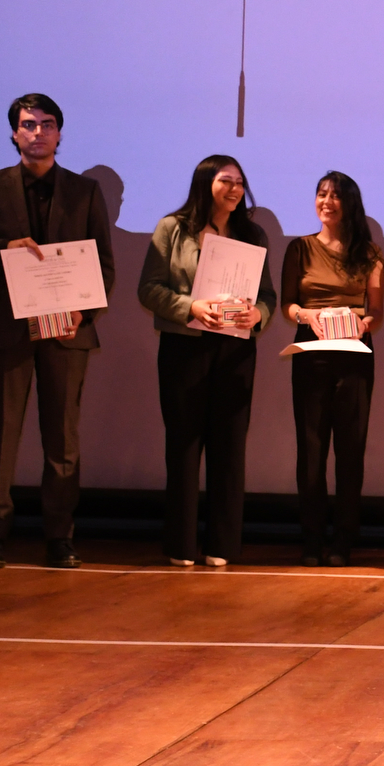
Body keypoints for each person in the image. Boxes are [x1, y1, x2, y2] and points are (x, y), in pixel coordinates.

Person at [0, 93, 116, 570]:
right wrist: (5, 247)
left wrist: (83, 313)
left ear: (59, 133)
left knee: (62, 440)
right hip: (5, 324)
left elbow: (104, 265)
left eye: (47, 124)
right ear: (14, 133)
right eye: (28, 124)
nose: (38, 132)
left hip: (67, 328)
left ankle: (60, 536)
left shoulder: (85, 191)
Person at [137, 155, 275, 567]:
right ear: (204, 184)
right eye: (225, 181)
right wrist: (191, 307)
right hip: (185, 347)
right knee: (183, 444)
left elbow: (267, 296)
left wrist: (257, 316)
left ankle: (222, 544)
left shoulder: (252, 233)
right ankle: (181, 544)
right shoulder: (172, 228)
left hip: (235, 350)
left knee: (229, 446)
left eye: (239, 182)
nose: (235, 189)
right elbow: (148, 288)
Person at [281, 171, 384, 566]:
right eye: (321, 194)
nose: (327, 202)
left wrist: (364, 324)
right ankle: (311, 538)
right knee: (311, 448)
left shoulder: (370, 253)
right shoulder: (300, 248)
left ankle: (343, 538)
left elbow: (376, 311)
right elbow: (288, 303)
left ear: (350, 203)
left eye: (335, 195)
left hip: (354, 352)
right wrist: (306, 315)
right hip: (311, 351)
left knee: (350, 449)